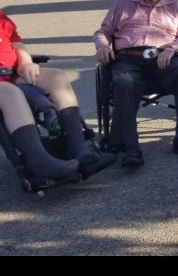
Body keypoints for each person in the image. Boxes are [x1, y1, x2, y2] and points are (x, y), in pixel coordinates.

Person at [93, 0, 178, 167]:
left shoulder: (176, 3)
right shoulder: (124, 2)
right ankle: (130, 146)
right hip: (128, 57)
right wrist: (102, 46)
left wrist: (173, 48)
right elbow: (103, 32)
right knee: (124, 81)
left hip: (164, 56)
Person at [1, 11, 115, 182]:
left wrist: (25, 61)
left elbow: (15, 41)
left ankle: (78, 148)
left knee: (57, 77)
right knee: (11, 93)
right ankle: (40, 161)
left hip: (12, 73)